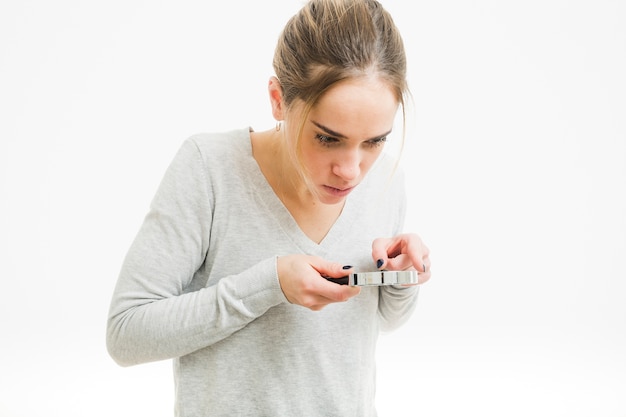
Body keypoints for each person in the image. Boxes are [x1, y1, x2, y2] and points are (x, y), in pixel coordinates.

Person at [106, 0, 432, 415]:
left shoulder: (387, 183)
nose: (351, 171)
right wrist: (269, 284)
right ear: (278, 99)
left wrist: (401, 278)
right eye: (328, 138)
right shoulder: (209, 169)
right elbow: (126, 334)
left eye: (374, 141)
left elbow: (378, 323)